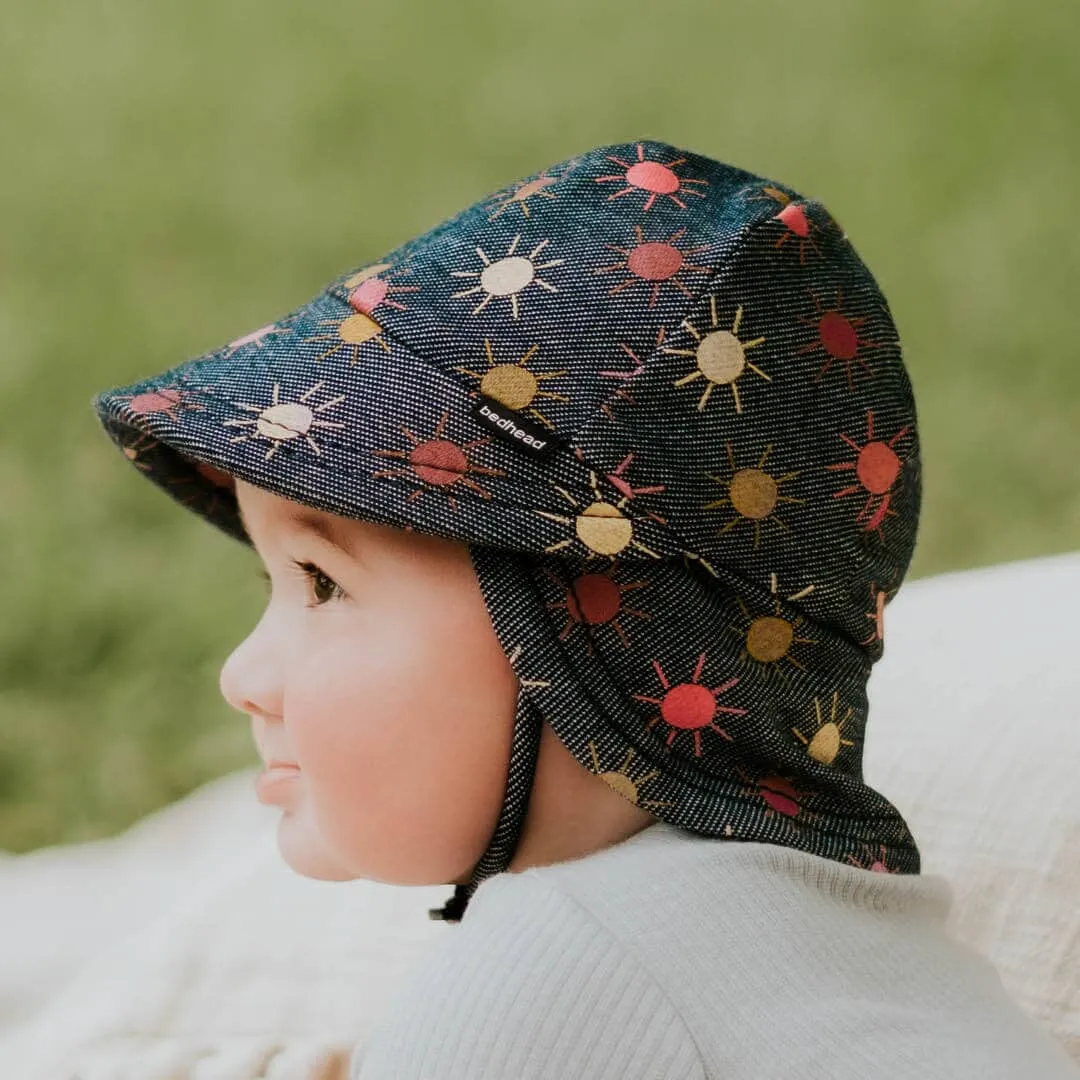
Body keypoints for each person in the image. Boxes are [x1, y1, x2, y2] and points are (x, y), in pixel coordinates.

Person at [92, 140, 1080, 1078]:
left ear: (581, 629)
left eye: (324, 583)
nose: (241, 677)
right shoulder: (878, 960)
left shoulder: (564, 965)